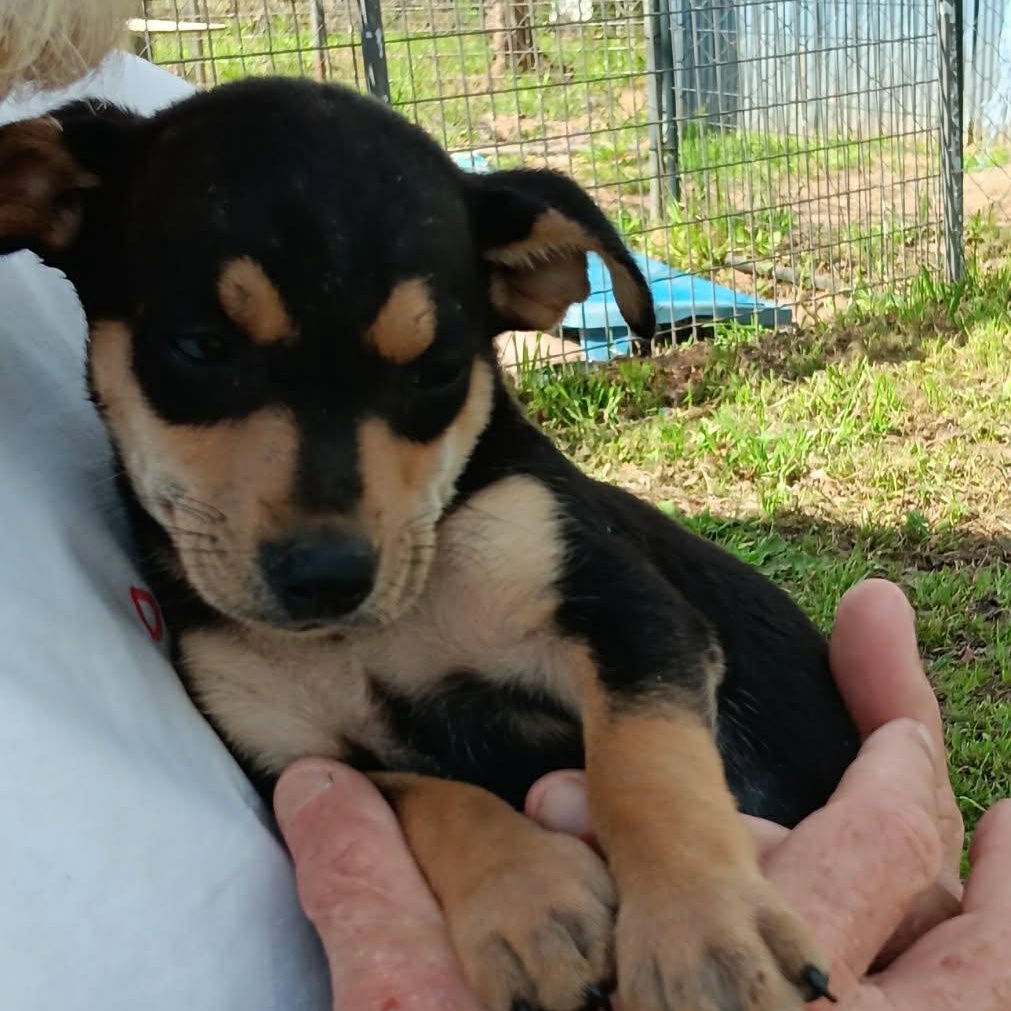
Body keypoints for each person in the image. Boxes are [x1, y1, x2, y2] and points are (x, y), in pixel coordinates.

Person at [0, 4, 1008, 1009]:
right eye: (207, 354)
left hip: (817, 854)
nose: (329, 525)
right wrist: (477, 850)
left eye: (424, 377)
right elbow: (323, 790)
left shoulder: (492, 506)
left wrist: (682, 865)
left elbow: (652, 643)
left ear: (528, 286)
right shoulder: (134, 179)